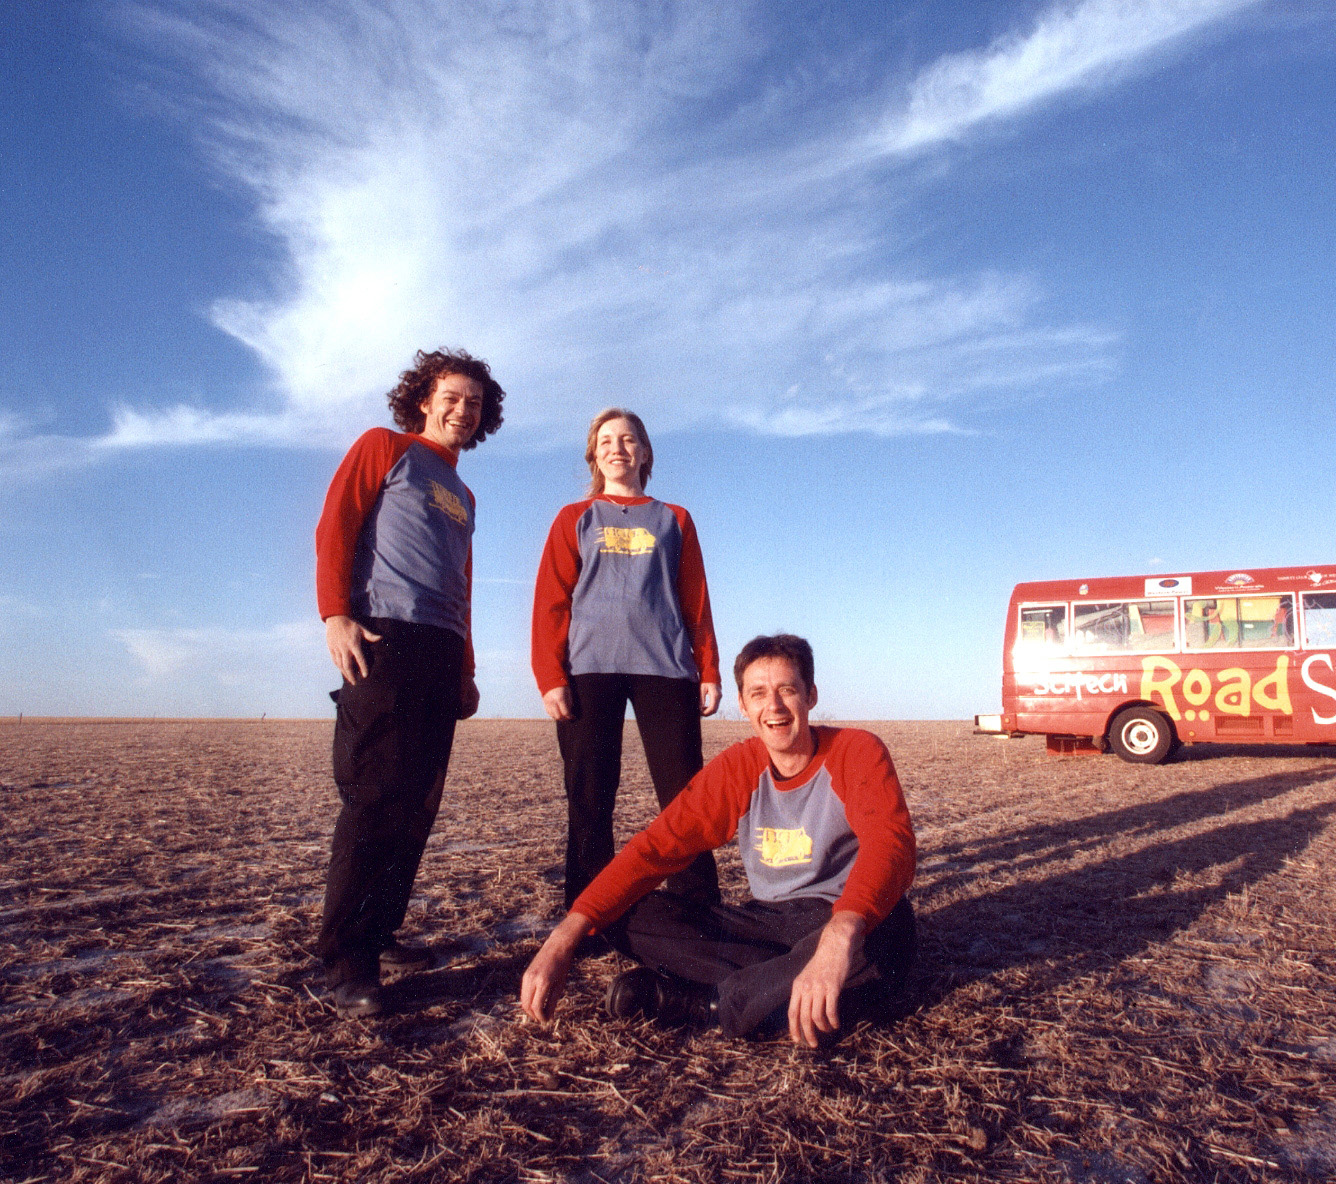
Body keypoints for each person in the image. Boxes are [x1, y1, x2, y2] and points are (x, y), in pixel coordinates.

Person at [519, 634, 917, 1047]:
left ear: (811, 695)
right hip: (766, 926)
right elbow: (655, 849)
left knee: (888, 931)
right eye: (758, 694)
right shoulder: (740, 768)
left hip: (840, 916)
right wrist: (564, 936)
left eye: (787, 690)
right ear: (743, 705)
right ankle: (778, 983)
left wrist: (842, 932)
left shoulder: (855, 750)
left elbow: (891, 845)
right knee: (617, 911)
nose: (774, 707)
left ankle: (709, 1005)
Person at [313, 348, 505, 1017]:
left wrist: (467, 667)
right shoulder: (383, 446)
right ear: (424, 399)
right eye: (451, 396)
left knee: (417, 801)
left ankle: (382, 930)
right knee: (375, 797)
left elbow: (463, 581)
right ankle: (346, 959)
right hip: (383, 636)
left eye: (474, 403)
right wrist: (336, 614)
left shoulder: (463, 493)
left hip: (440, 649)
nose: (461, 409)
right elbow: (335, 524)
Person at [531, 409, 722, 913]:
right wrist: (551, 678)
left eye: (629, 439)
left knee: (684, 795)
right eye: (607, 440)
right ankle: (591, 913)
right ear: (594, 454)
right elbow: (551, 601)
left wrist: (709, 669)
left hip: (665, 668)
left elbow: (695, 598)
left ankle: (696, 907)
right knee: (590, 796)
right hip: (589, 670)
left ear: (645, 452)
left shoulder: (674, 518)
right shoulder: (575, 518)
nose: (618, 448)